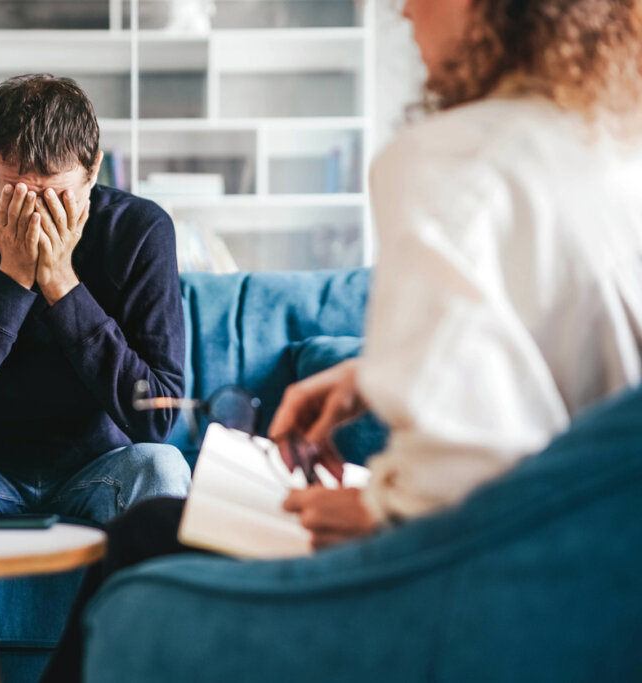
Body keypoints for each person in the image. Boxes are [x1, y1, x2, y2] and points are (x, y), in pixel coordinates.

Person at [40, 0, 642, 679]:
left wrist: (373, 507)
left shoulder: (450, 157)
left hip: (475, 579)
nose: (404, 10)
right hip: (599, 569)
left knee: (144, 544)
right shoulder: (614, 149)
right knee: (155, 526)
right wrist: (372, 374)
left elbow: (453, 486)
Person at [0, 74, 192, 682]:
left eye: (55, 198)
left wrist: (61, 285)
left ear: (93, 170)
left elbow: (157, 416)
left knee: (165, 470)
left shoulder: (140, 232)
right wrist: (11, 279)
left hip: (98, 471)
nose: (37, 217)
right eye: (18, 196)